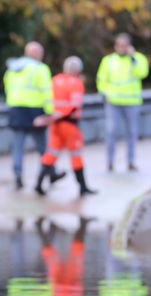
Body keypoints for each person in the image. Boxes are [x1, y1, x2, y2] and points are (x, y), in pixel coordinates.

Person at [4, 41, 65, 189]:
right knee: (43, 146)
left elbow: (7, 87)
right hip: (35, 111)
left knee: (18, 145)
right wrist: (50, 112)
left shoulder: (12, 69)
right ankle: (51, 172)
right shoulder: (40, 69)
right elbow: (47, 92)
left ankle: (18, 175)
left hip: (16, 109)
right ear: (37, 54)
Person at [33, 56, 97, 197]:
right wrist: (62, 116)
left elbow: (48, 100)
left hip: (55, 124)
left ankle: (38, 184)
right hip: (69, 124)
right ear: (78, 70)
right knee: (76, 155)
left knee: (51, 153)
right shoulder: (76, 83)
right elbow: (74, 106)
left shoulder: (54, 80)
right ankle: (83, 187)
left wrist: (50, 117)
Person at [96, 32, 149, 172]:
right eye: (119, 45)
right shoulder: (108, 61)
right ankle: (110, 162)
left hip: (132, 102)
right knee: (111, 131)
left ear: (129, 46)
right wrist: (106, 93)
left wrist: (132, 58)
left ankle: (131, 161)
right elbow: (101, 79)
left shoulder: (138, 59)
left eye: (124, 45)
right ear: (115, 46)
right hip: (113, 102)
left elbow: (142, 73)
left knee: (132, 132)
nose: (122, 48)